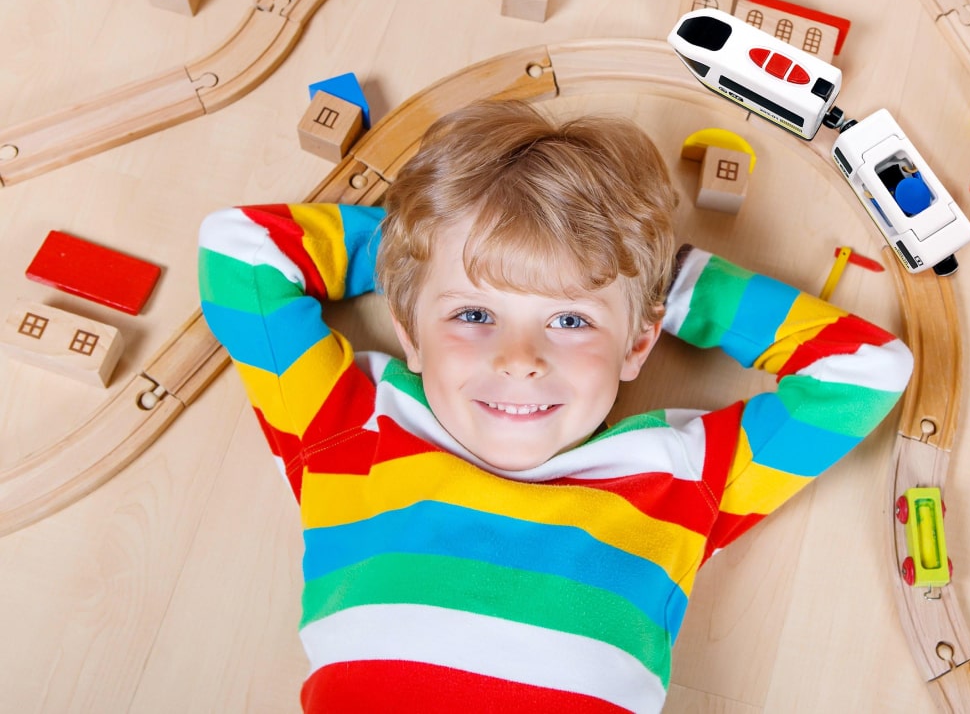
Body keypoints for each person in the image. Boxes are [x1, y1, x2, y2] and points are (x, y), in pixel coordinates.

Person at [198, 99, 913, 713]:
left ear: (638, 344)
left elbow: (865, 372)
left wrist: (658, 282)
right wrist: (425, 249)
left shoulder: (681, 476)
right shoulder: (347, 426)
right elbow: (240, 250)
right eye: (474, 314)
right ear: (411, 331)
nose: (519, 358)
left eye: (570, 319)